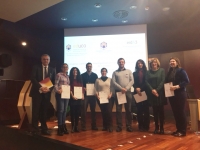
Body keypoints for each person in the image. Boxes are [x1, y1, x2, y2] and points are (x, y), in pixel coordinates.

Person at [30, 54, 56, 135]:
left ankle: (44, 128)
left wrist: (49, 89)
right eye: (44, 59)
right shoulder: (36, 67)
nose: (46, 61)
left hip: (46, 93)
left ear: (49, 60)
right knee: (36, 111)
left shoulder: (52, 69)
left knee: (44, 111)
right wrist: (41, 87)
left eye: (47, 59)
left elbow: (54, 81)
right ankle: (34, 129)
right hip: (37, 92)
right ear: (41, 60)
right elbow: (32, 78)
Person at [166, 57, 189, 137]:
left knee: (181, 112)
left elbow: (186, 81)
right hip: (172, 95)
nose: (172, 62)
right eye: (170, 61)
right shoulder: (169, 72)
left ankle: (183, 131)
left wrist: (177, 86)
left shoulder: (181, 70)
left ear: (177, 62)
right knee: (175, 113)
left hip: (180, 93)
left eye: (173, 61)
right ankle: (178, 129)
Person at [112, 58, 134, 132]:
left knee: (128, 109)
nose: (121, 63)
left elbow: (132, 81)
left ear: (124, 63)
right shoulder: (115, 72)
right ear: (118, 63)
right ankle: (119, 126)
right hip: (119, 92)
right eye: (120, 62)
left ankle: (129, 125)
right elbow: (113, 82)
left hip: (127, 92)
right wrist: (121, 88)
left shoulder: (129, 71)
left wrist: (126, 88)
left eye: (122, 62)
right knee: (118, 110)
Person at [145, 58, 166, 134]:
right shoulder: (148, 72)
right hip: (152, 94)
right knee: (155, 111)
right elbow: (146, 82)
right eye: (152, 63)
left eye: (155, 63)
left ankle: (162, 128)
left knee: (161, 112)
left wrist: (156, 90)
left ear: (157, 64)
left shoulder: (162, 70)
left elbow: (163, 80)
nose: (154, 64)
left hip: (160, 93)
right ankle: (156, 127)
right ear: (150, 64)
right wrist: (152, 90)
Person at [95, 68, 114, 132]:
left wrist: (111, 94)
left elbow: (112, 88)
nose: (103, 72)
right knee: (103, 112)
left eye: (105, 71)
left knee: (109, 112)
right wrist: (97, 95)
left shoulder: (110, 79)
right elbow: (96, 89)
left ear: (106, 72)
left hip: (108, 98)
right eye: (102, 71)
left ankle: (110, 126)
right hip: (101, 98)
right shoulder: (97, 80)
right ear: (101, 72)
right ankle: (105, 126)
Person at [133, 59, 150, 132]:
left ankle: (146, 126)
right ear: (137, 65)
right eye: (138, 63)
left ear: (143, 64)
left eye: (141, 63)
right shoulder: (134, 73)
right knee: (139, 110)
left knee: (146, 110)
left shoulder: (147, 73)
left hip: (145, 92)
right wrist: (136, 88)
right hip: (137, 92)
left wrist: (141, 88)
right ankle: (140, 125)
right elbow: (133, 82)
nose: (140, 64)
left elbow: (147, 82)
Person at [81, 62, 98, 131]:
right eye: (88, 66)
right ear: (86, 67)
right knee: (83, 111)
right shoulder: (82, 75)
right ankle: (83, 126)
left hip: (92, 95)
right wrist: (83, 88)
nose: (89, 67)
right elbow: (80, 85)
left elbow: (96, 85)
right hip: (85, 95)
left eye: (90, 66)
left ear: (92, 67)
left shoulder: (95, 75)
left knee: (93, 111)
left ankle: (94, 125)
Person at [54, 63, 70, 136]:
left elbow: (68, 85)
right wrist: (58, 91)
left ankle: (63, 126)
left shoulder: (68, 76)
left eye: (66, 67)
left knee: (64, 111)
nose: (65, 68)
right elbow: (55, 84)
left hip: (66, 95)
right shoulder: (58, 75)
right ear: (61, 68)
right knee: (60, 110)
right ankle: (59, 127)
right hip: (60, 94)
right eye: (64, 67)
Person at [69, 67, 84, 133]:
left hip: (79, 98)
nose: (75, 71)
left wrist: (83, 95)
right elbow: (69, 88)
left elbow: (82, 87)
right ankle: (72, 126)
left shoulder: (80, 79)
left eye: (76, 70)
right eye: (74, 70)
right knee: (73, 113)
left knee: (77, 113)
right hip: (72, 98)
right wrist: (72, 96)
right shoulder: (69, 79)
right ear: (72, 72)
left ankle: (76, 127)